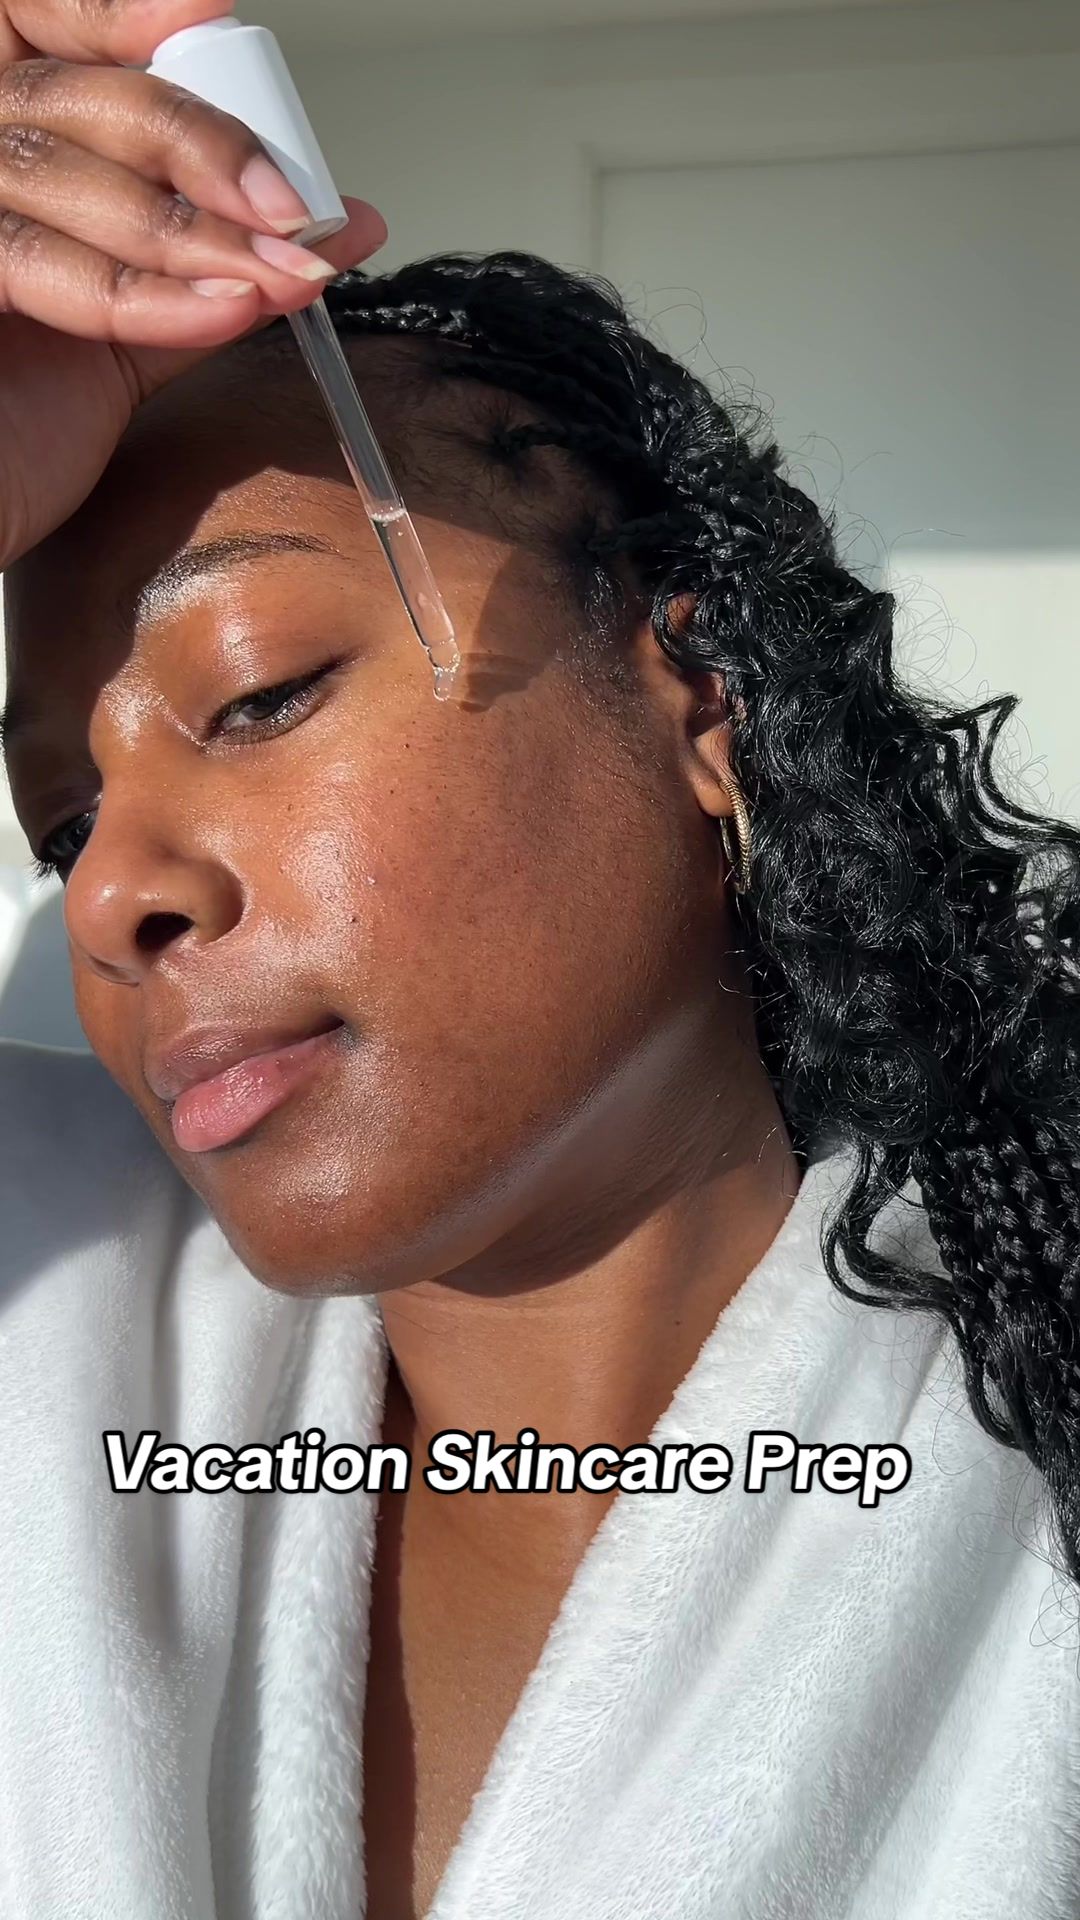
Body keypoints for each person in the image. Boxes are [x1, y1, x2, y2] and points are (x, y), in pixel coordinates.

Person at [1, 2, 1078, 1917]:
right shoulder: (48, 1315)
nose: (107, 901)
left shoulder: (1036, 1439)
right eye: (62, 826)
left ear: (701, 696)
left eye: (256, 695)